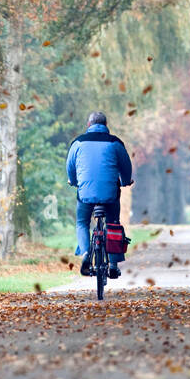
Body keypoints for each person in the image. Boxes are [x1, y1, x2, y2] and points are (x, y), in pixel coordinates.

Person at [66, 111, 133, 278]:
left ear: (89, 125)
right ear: (106, 125)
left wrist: (73, 181)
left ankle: (86, 253)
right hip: (110, 194)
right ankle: (113, 264)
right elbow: (126, 166)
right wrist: (125, 181)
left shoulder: (78, 143)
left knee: (82, 222)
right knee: (113, 223)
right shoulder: (115, 143)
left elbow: (70, 167)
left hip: (85, 193)